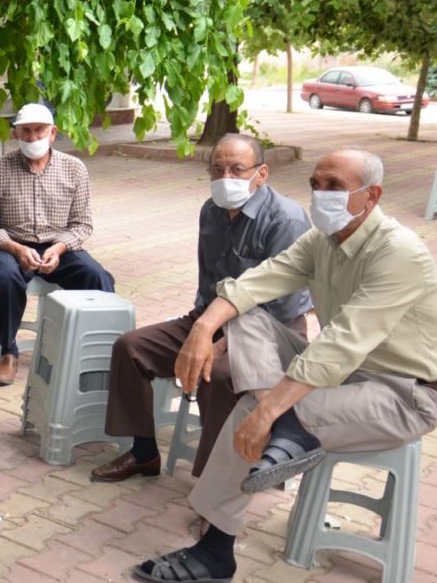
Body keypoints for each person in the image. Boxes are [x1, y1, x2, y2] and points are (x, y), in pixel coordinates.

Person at [132, 149, 437, 583]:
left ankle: (216, 550)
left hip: (401, 395)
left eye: (335, 187)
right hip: (341, 379)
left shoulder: (399, 252)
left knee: (252, 412)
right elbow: (258, 281)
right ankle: (287, 431)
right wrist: (202, 328)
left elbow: (342, 342)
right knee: (243, 314)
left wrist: (265, 411)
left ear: (371, 195)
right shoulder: (323, 241)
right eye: (316, 185)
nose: (321, 196)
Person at [90, 134, 313, 483]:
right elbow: (208, 280)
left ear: (262, 172)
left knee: (218, 376)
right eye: (218, 170)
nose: (227, 178)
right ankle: (144, 452)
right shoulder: (211, 211)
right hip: (210, 319)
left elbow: (282, 308)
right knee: (130, 348)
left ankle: (217, 485)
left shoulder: (286, 221)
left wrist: (216, 345)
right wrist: (198, 329)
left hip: (271, 332)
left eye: (238, 169)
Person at [0, 103, 115, 386]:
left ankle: (100, 354)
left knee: (98, 277)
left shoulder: (74, 169)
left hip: (58, 245)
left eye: (39, 131)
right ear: (16, 134)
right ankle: (8, 352)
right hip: (10, 245)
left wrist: (59, 247)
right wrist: (16, 248)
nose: (32, 137)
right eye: (26, 131)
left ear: (52, 133)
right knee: (6, 276)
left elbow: (82, 223)